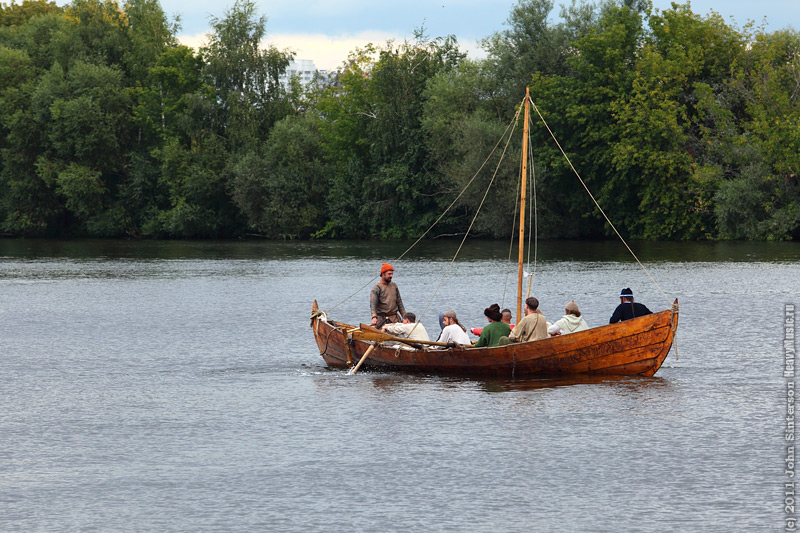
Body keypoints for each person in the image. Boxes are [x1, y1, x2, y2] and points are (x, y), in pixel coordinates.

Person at [370, 263, 405, 327]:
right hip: (382, 320)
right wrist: (374, 317)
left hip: (395, 319)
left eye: (392, 274)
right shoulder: (377, 288)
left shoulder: (394, 285)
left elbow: (399, 303)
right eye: (389, 274)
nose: (391, 276)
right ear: (383, 274)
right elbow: (373, 305)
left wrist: (405, 317)